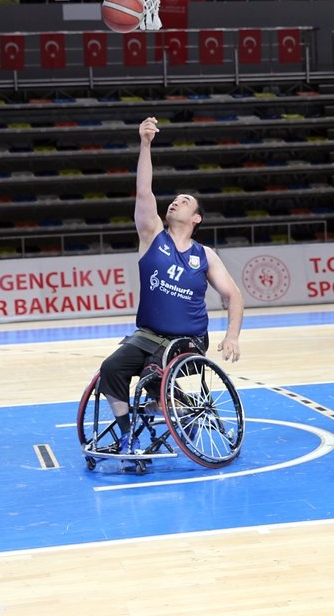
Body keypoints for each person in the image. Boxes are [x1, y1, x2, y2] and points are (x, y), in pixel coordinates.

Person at [97, 116, 244, 453]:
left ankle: (172, 402)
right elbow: (144, 191)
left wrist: (232, 336)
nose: (176, 201)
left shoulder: (204, 255)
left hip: (187, 341)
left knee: (153, 369)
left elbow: (233, 295)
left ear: (196, 218)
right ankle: (128, 437)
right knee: (112, 369)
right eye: (174, 199)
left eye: (185, 201)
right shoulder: (151, 237)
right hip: (147, 336)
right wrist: (145, 144)